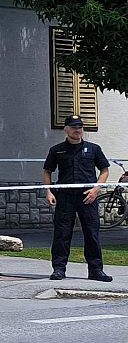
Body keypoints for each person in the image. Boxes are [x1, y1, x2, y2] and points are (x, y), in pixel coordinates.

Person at [42, 116, 113, 282]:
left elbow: (105, 170)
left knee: (92, 233)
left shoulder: (94, 149)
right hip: (65, 196)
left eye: (80, 127)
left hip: (87, 196)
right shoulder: (57, 150)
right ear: (66, 129)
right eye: (74, 127)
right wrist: (48, 192)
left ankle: (96, 270)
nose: (77, 130)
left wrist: (96, 189)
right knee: (62, 234)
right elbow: (47, 171)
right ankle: (59, 269)